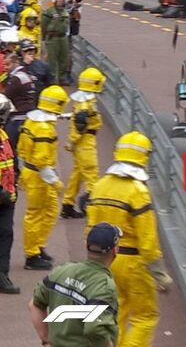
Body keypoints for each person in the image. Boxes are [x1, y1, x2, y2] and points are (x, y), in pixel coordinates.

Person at [87, 132, 173, 347]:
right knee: (144, 317)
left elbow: (90, 228)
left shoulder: (100, 185)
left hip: (107, 260)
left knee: (118, 312)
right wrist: (159, 273)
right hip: (134, 263)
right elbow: (148, 239)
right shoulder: (138, 191)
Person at [29, 222, 120, 347]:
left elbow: (34, 304)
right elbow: (94, 328)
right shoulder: (104, 286)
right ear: (115, 250)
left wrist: (46, 340)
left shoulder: (62, 270)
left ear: (87, 245)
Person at [18, 85, 69, 270]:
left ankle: (38, 246)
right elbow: (42, 161)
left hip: (32, 172)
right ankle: (32, 255)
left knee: (49, 210)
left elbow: (24, 149)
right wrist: (55, 181)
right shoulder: (45, 129)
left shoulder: (32, 120)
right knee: (35, 214)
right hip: (40, 176)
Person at [62, 67, 105, 219]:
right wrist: (72, 142)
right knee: (92, 174)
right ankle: (92, 205)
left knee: (77, 175)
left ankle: (67, 204)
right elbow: (79, 126)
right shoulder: (86, 104)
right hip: (86, 142)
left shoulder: (83, 101)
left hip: (83, 142)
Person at [0, 94, 19, 294]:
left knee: (6, 235)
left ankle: (2, 276)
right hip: (2, 195)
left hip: (7, 197)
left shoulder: (3, 135)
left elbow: (9, 163)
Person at [3, 50, 36, 154]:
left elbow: (5, 95)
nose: (6, 68)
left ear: (15, 63)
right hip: (29, 113)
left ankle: (14, 169)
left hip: (19, 116)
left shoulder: (16, 79)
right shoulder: (25, 74)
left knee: (8, 143)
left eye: (8, 64)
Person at [41, 0, 70, 85]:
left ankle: (62, 78)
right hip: (53, 37)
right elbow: (44, 25)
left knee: (64, 59)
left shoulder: (65, 11)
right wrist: (44, 38)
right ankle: (52, 79)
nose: (61, 1)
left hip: (63, 37)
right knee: (52, 60)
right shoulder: (49, 11)